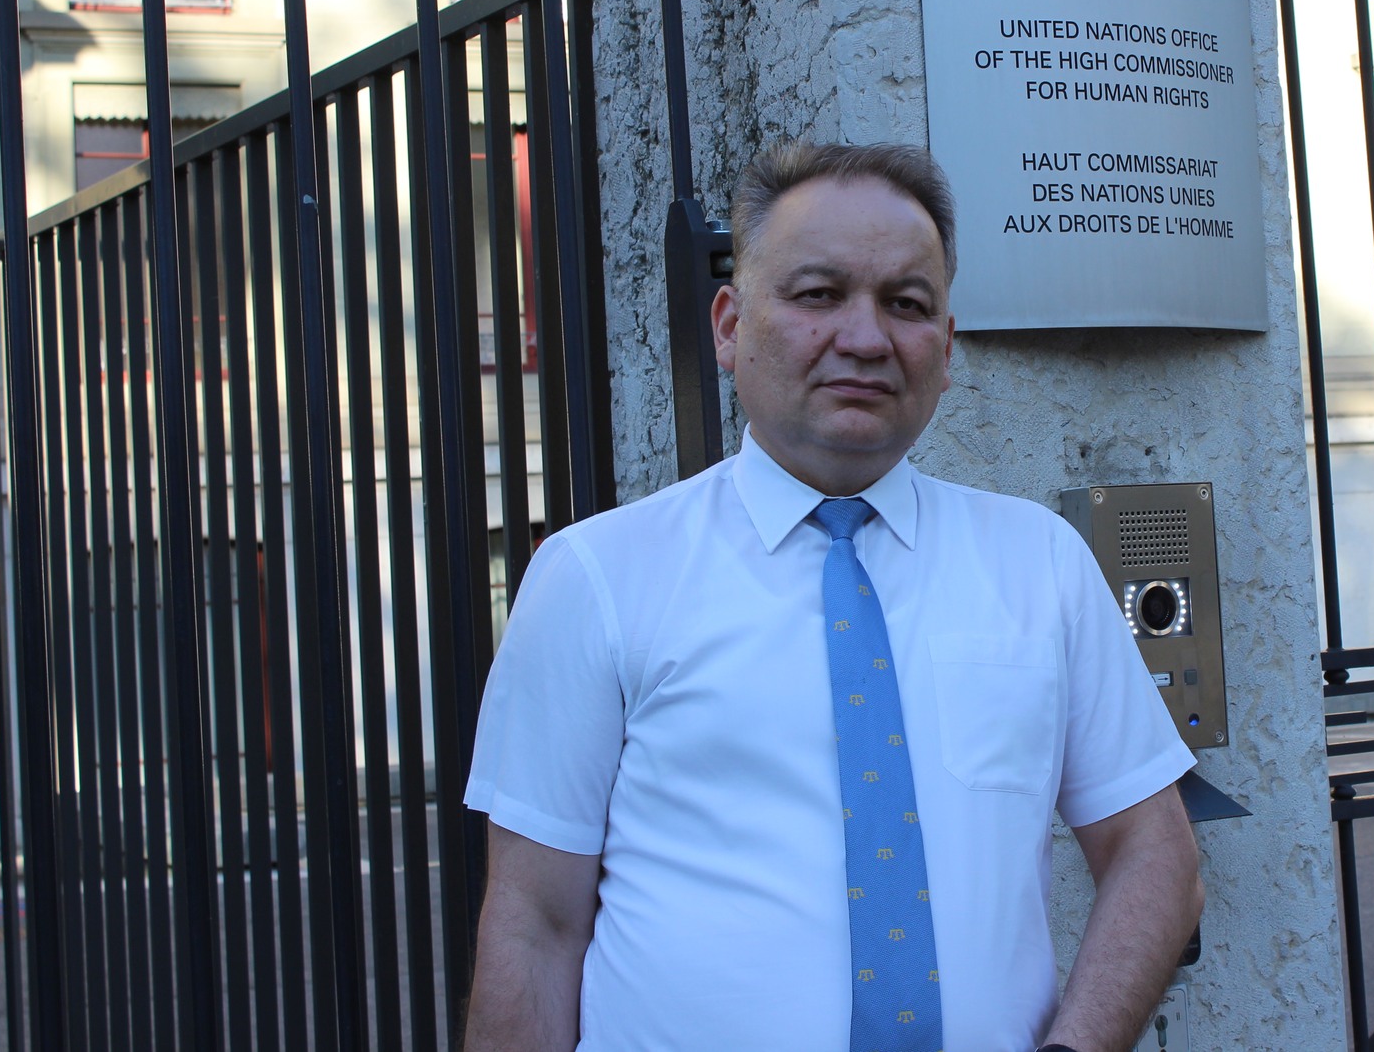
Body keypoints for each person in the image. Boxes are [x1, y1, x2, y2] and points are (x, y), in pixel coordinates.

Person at [461, 140, 1204, 1052]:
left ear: (946, 347)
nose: (865, 337)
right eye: (818, 294)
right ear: (729, 325)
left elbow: (1154, 852)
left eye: (906, 303)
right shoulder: (598, 577)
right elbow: (534, 926)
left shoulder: (1041, 564)